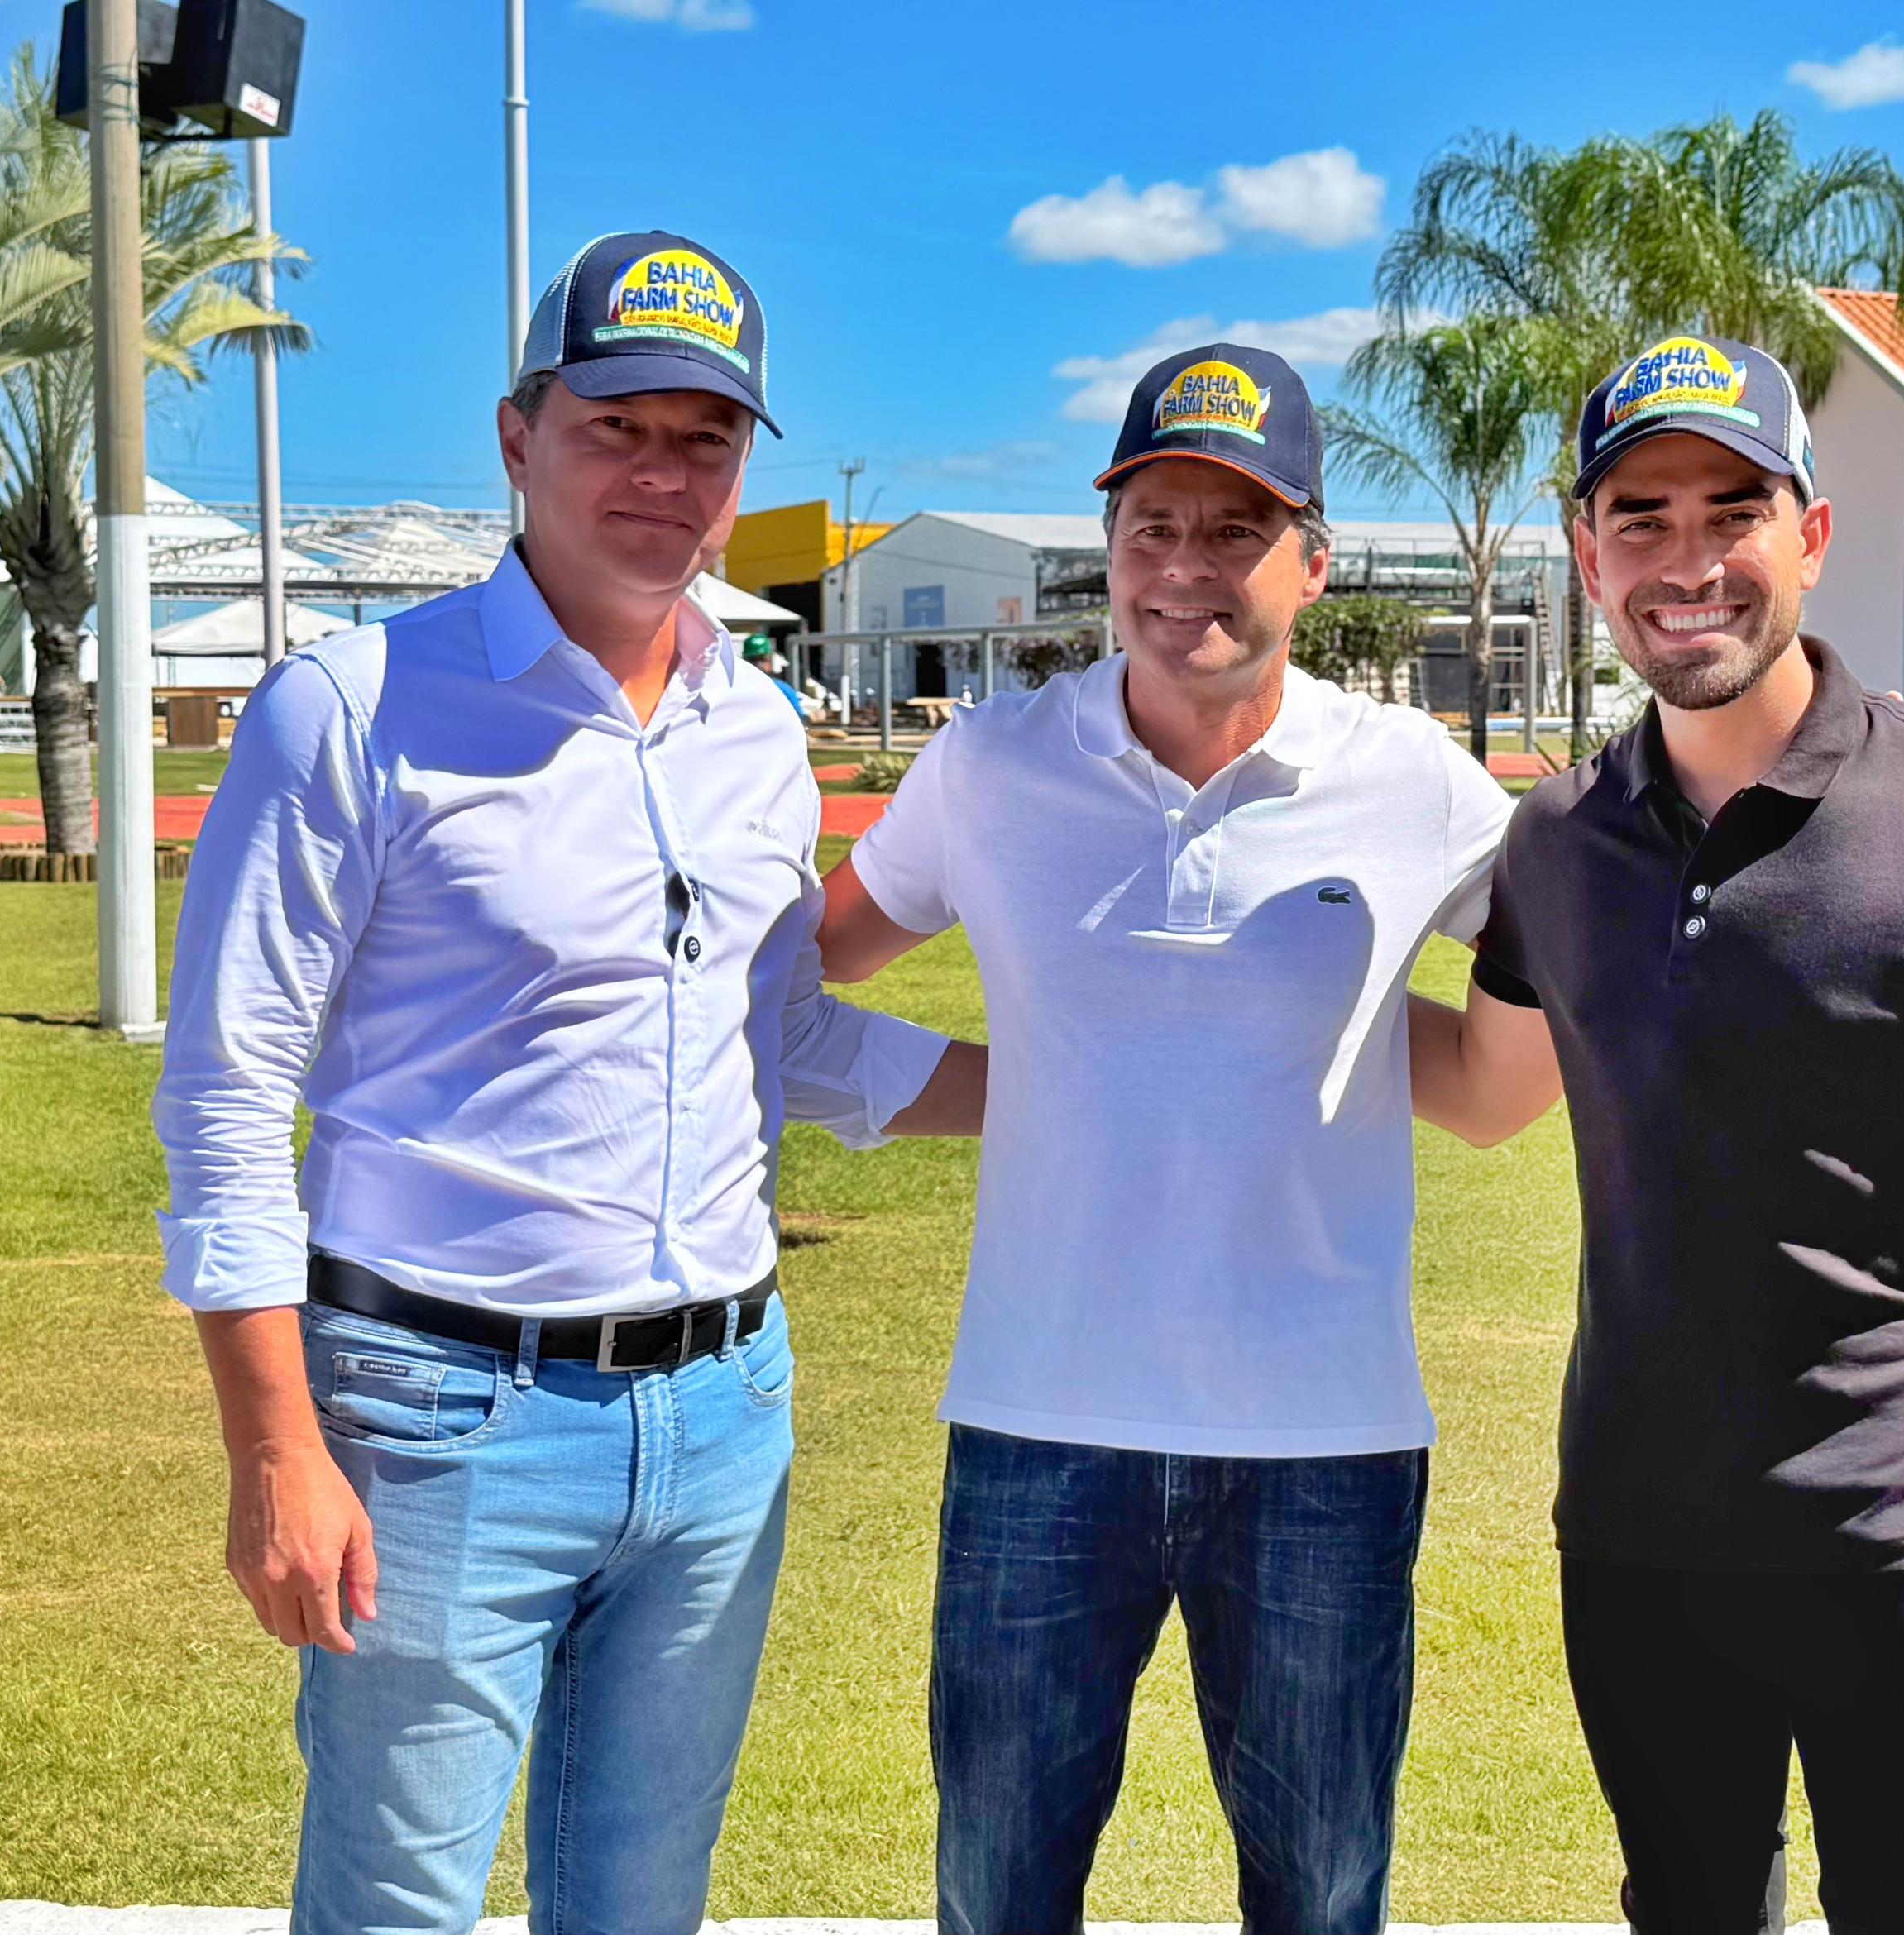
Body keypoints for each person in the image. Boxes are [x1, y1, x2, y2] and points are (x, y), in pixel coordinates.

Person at [154, 229, 988, 1935]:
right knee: (396, 1904)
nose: (663, 474)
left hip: (723, 1418)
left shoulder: (757, 731)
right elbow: (228, 1097)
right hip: (438, 1411)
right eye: (618, 427)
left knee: (641, 1902)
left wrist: (1094, 1085)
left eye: (706, 438)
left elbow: (788, 1041)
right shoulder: (353, 709)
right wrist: (274, 1449)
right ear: (518, 438)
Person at [1408, 334, 1904, 1935]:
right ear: (1586, 553)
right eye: (1640, 517)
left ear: (1812, 535)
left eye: (1733, 511)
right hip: (1638, 1534)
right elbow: (1489, 1089)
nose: (1686, 559)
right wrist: (1244, 1004)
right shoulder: (1556, 842)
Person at [819, 342, 1513, 1934]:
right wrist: (1008, 1085)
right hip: (1037, 1422)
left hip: (1327, 1440)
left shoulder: (1411, 780)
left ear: (1314, 564)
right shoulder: (990, 767)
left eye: (1235, 530)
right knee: (997, 1892)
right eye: (1153, 528)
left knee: (1323, 1899)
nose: (1185, 567)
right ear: (1110, 551)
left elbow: (1563, 984)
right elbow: (809, 971)